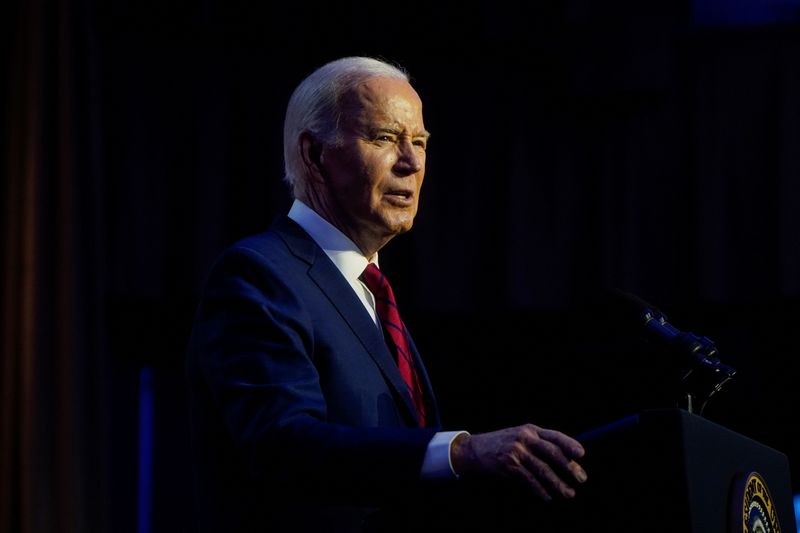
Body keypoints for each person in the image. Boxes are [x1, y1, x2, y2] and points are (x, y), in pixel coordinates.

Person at [185, 55, 587, 533]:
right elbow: (283, 444)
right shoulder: (259, 275)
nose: (412, 162)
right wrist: (461, 450)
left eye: (419, 142)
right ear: (314, 155)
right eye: (384, 138)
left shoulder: (371, 290)